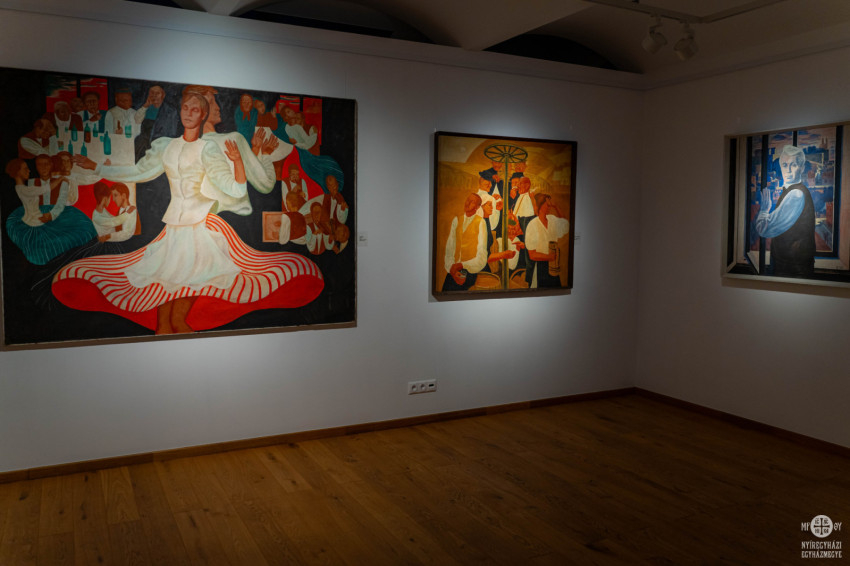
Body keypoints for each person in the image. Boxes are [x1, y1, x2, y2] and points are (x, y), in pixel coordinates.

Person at [55, 90, 324, 334]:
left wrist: (238, 162)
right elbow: (138, 172)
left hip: (198, 230)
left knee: (183, 308)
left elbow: (235, 188)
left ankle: (189, 354)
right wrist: (98, 167)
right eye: (185, 107)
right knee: (165, 309)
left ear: (202, 114)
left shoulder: (208, 148)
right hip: (174, 228)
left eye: (195, 109)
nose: (189, 113)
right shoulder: (166, 146)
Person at [4, 157, 95, 265]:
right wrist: (60, 179)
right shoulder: (28, 186)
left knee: (81, 228)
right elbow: (45, 189)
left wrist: (52, 214)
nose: (43, 167)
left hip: (48, 214)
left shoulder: (23, 187)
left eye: (47, 164)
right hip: (35, 221)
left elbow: (60, 202)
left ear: (51, 165)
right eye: (39, 164)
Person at [755, 145, 815, 277]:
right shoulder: (793, 191)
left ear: (802, 168)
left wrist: (764, 210)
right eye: (784, 165)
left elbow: (764, 229)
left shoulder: (796, 194)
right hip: (789, 265)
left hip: (791, 268)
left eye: (793, 165)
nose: (787, 170)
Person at [442, 193, 488, 291]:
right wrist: (451, 269)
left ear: (477, 207)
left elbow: (482, 256)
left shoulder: (481, 222)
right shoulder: (456, 220)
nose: (467, 203)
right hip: (453, 270)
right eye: (467, 200)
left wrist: (462, 265)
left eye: (472, 202)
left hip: (470, 270)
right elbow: (449, 249)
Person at [524, 193, 569, 288]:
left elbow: (566, 225)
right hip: (541, 267)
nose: (549, 206)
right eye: (547, 204)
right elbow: (532, 255)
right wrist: (549, 257)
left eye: (550, 204)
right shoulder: (532, 225)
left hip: (553, 266)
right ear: (540, 205)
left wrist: (556, 207)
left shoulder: (552, 220)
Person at [134, 85, 180, 160]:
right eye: (152, 93)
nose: (154, 96)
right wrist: (145, 106)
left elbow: (171, 134)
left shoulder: (170, 111)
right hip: (143, 144)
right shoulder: (146, 108)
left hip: (159, 144)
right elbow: (137, 120)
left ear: (163, 95)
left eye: (157, 93)